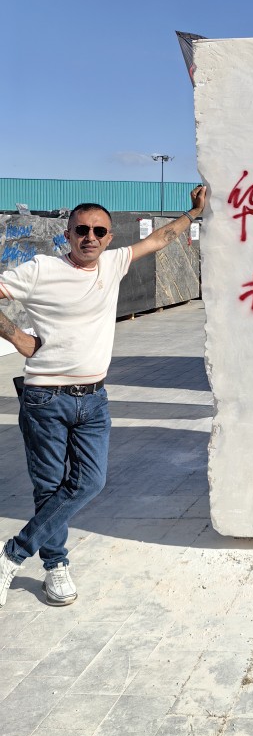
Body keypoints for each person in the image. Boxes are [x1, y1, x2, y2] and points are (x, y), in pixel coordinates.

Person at [0, 187, 206, 607]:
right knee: (49, 487)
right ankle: (55, 565)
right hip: (45, 398)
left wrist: (194, 213)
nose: (90, 237)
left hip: (94, 399)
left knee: (90, 482)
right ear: (68, 234)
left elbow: (160, 239)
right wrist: (18, 337)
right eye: (81, 230)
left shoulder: (113, 263)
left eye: (99, 231)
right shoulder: (41, 269)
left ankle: (12, 554)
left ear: (109, 238)